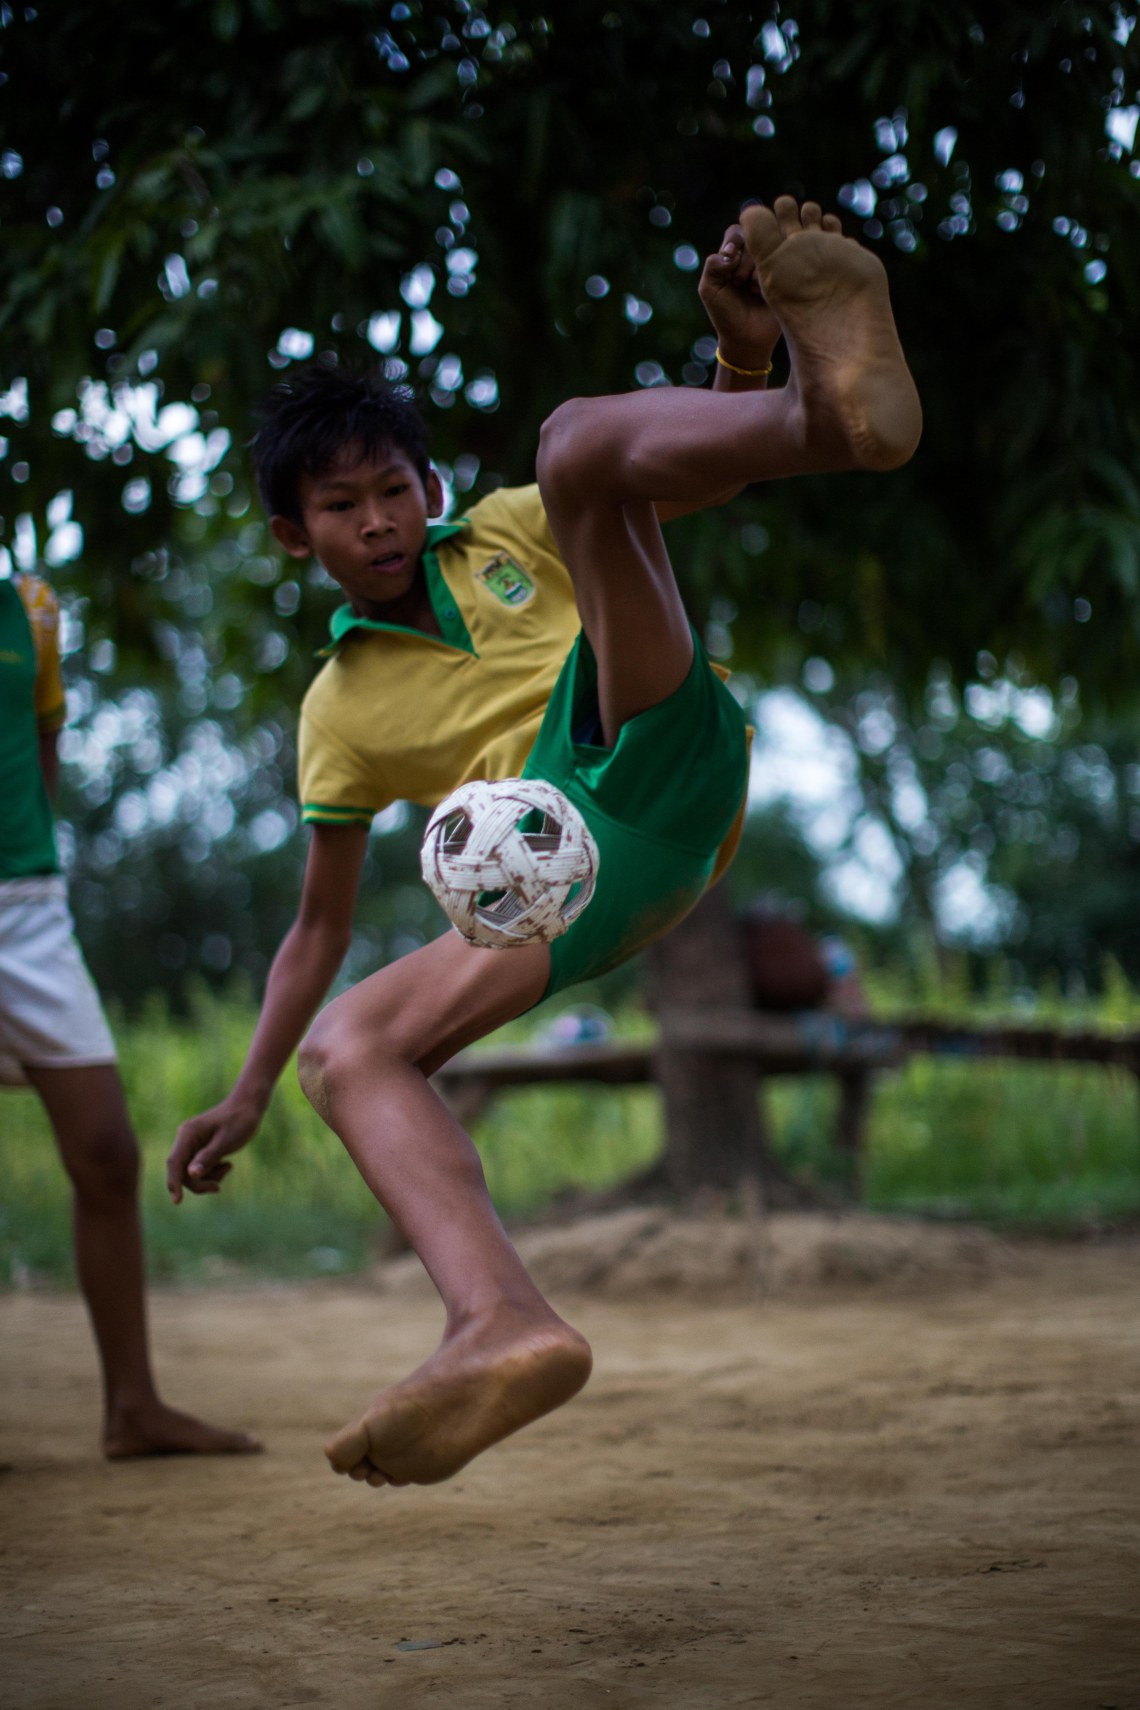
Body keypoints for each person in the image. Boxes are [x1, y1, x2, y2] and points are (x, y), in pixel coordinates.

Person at [167, 196, 921, 1490]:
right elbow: (320, 927)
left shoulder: (507, 532)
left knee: (581, 448)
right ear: (297, 536)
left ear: (432, 490)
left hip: (659, 744)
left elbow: (684, 477)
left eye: (394, 489)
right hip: (572, 873)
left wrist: (736, 367)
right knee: (350, 1053)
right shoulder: (336, 715)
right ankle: (498, 1318)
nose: (379, 520)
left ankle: (821, 408)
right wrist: (245, 1087)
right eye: (341, 506)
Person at [0, 565, 261, 1459]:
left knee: (108, 1152)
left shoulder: (28, 608)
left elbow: (40, 748)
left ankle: (132, 1408)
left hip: (28, 907)